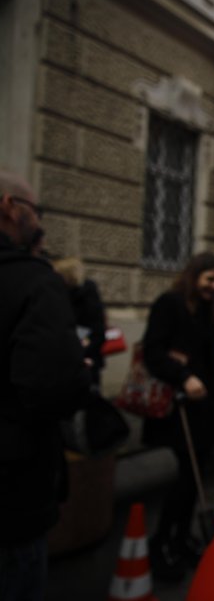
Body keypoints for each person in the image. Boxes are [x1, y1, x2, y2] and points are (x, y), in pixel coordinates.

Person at [0, 170, 90, 601]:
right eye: (36, 212)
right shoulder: (33, 281)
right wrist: (80, 370)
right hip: (12, 503)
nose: (41, 224)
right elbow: (56, 388)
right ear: (9, 206)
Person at [142, 251, 214, 581]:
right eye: (210, 280)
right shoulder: (170, 303)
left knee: (195, 476)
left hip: (202, 409)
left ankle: (180, 539)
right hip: (179, 409)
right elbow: (153, 353)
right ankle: (162, 542)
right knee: (186, 478)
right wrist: (183, 375)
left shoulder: (204, 310)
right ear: (195, 277)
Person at [52, 257, 107, 391]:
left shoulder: (85, 295)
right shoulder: (65, 294)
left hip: (85, 358)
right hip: (75, 356)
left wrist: (81, 348)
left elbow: (96, 329)